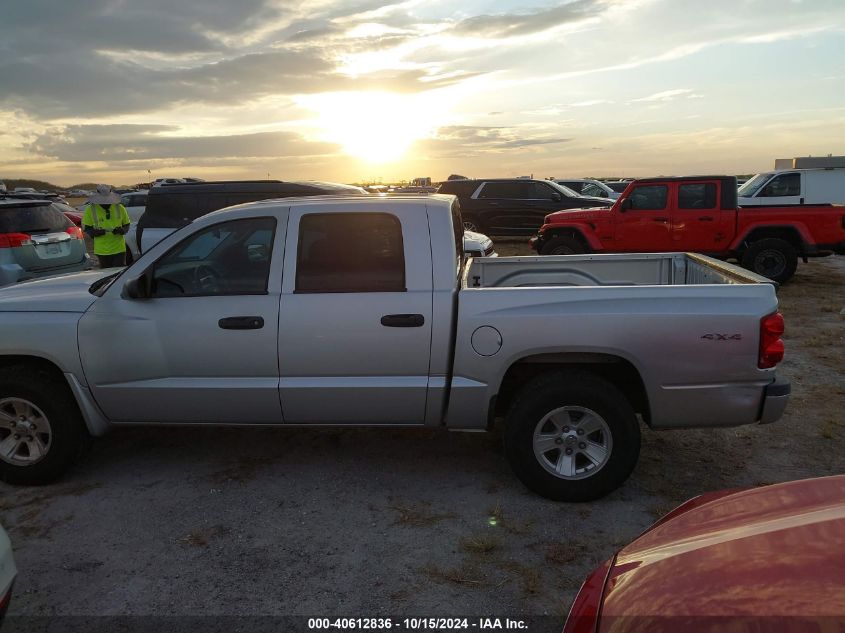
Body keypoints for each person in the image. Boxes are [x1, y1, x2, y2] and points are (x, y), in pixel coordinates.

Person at [82, 184, 131, 268]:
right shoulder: (90, 209)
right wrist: (95, 233)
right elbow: (87, 228)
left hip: (119, 249)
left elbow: (127, 224)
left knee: (119, 273)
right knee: (106, 274)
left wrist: (122, 230)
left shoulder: (120, 208)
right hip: (102, 251)